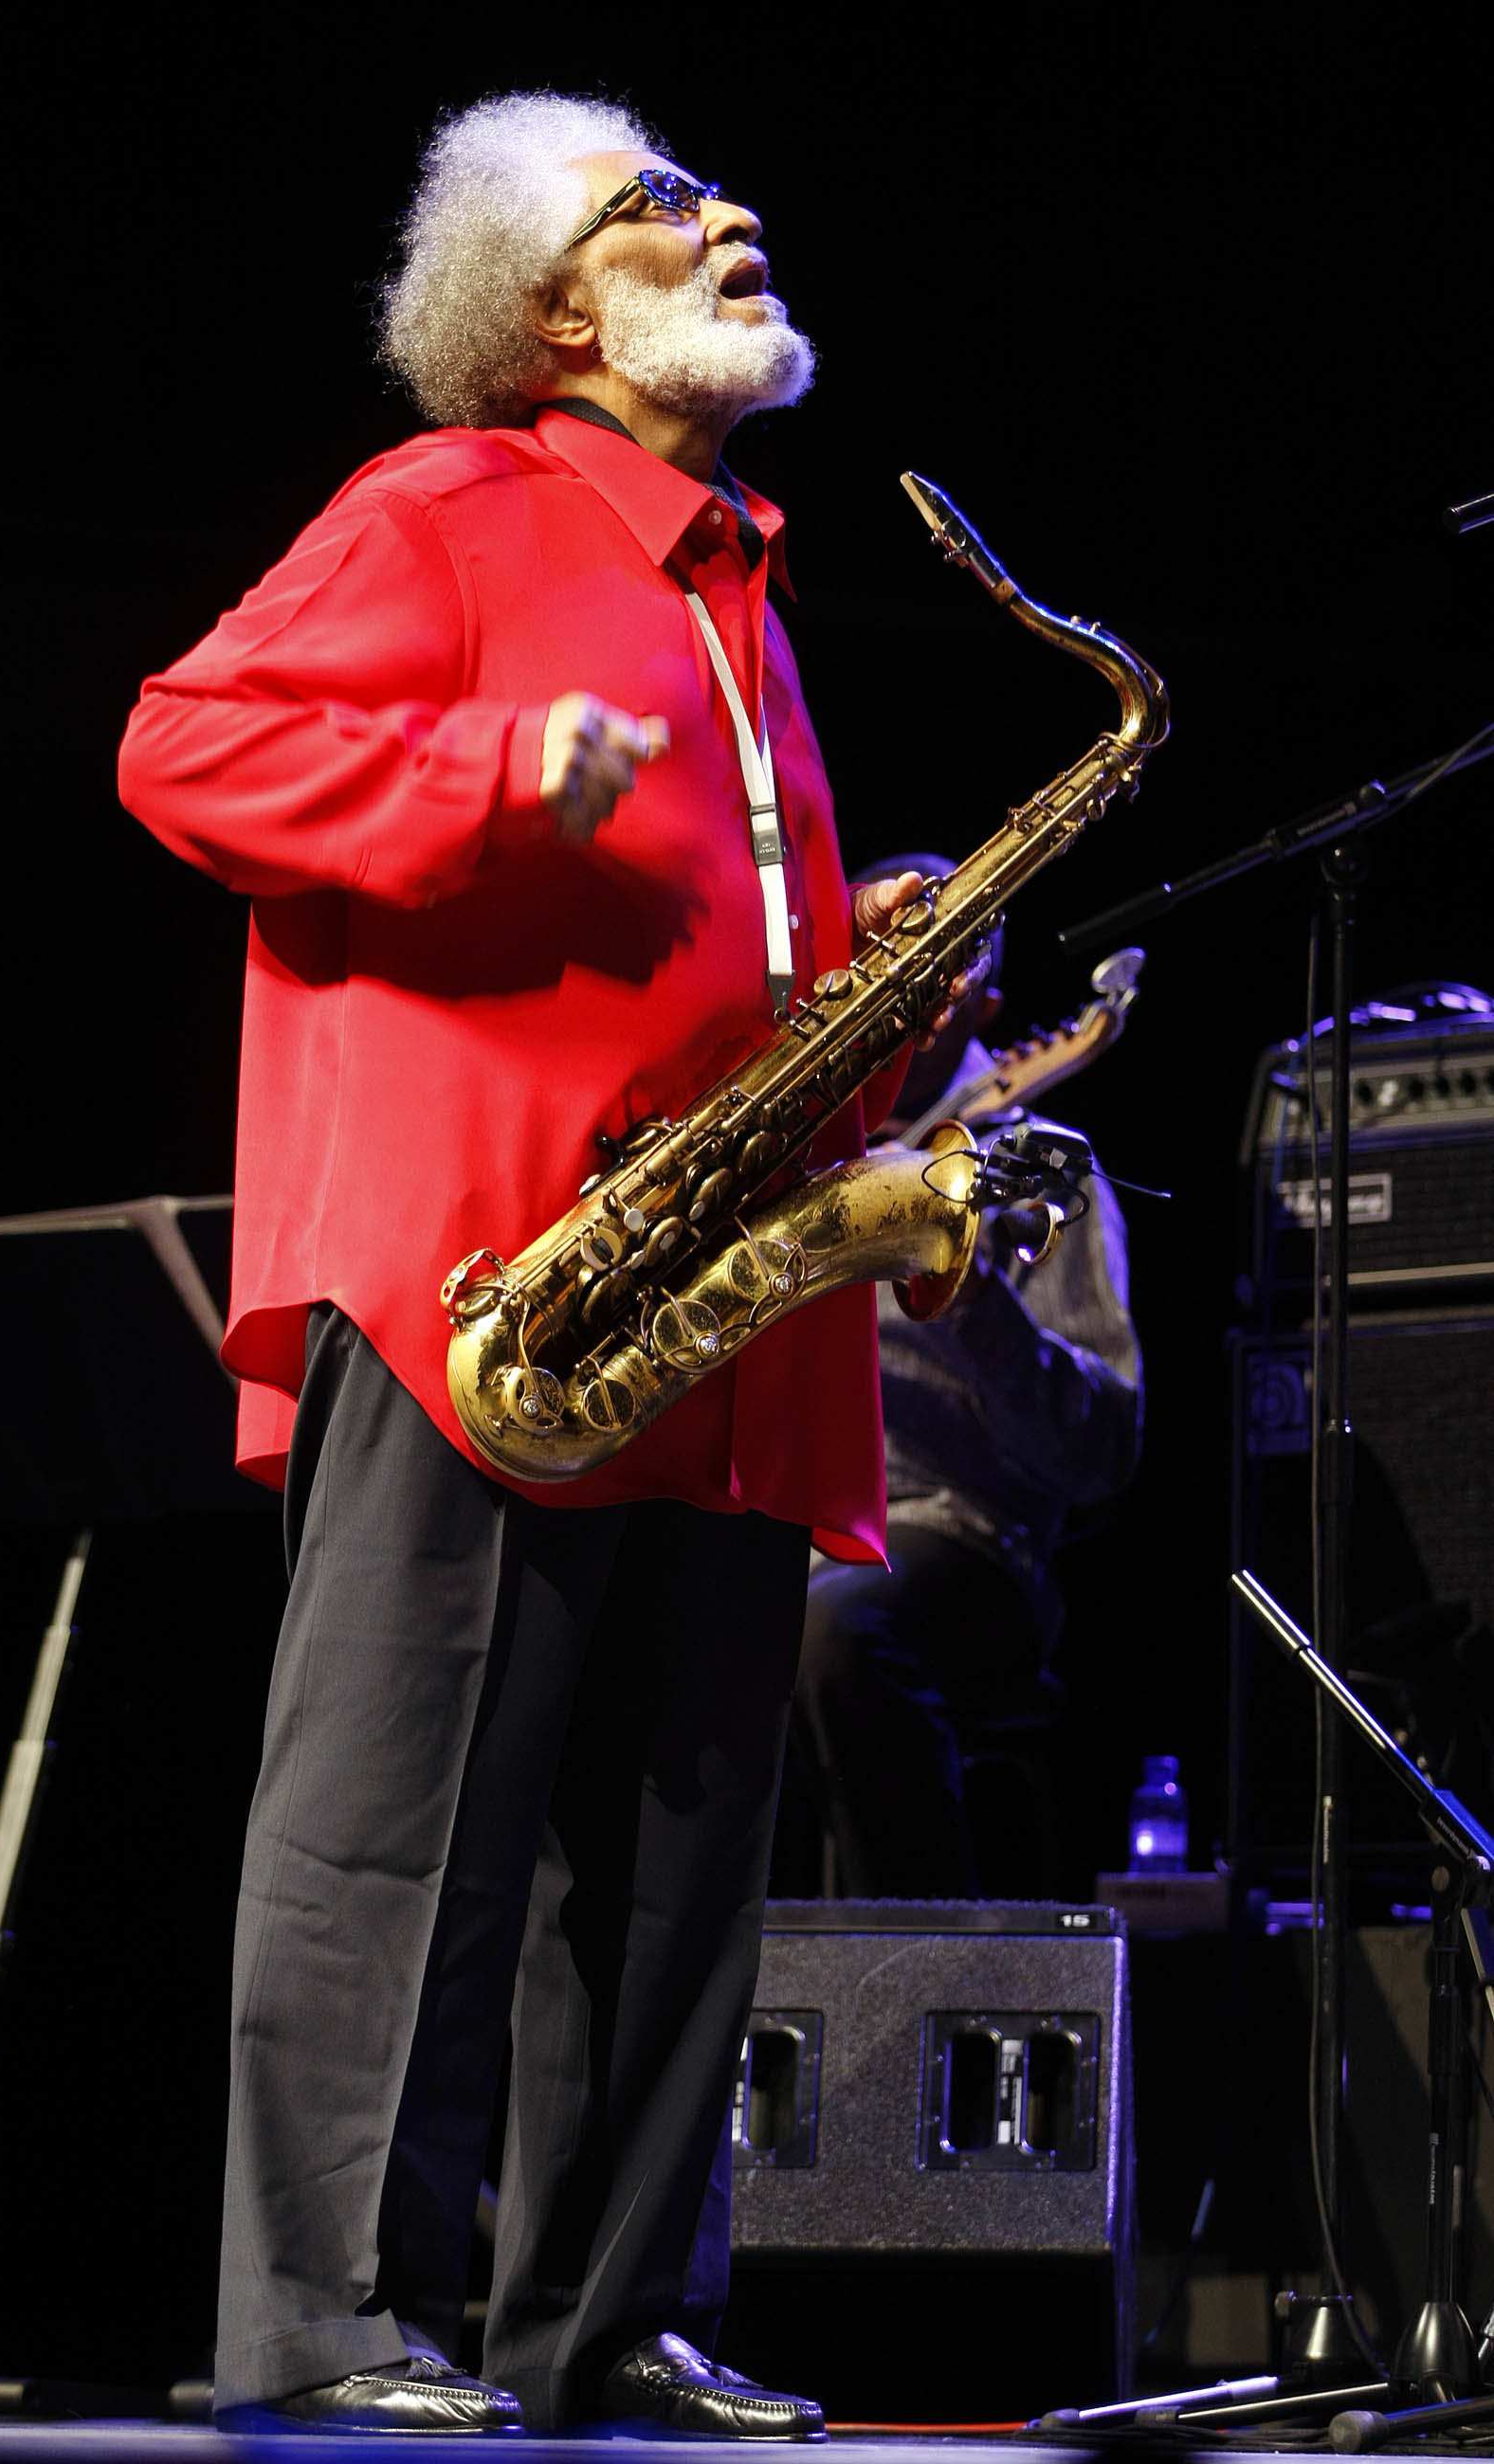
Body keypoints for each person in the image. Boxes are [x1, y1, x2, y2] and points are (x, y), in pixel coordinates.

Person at [118, 98, 978, 2439]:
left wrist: (871, 982)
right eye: (654, 205)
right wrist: (487, 774)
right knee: (404, 1831)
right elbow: (186, 745)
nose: (728, 217)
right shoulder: (450, 507)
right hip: (481, 1283)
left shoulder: (736, 581)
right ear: (552, 307)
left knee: (679, 1852)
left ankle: (598, 2325)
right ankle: (328, 2317)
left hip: (708, 1302)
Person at [775, 855, 1142, 1900]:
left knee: (830, 1634)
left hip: (957, 1540)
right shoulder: (807, 1149)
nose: (912, 997)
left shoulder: (1035, 1163)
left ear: (984, 1001)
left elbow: (1099, 1449)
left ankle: (905, 1971)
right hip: (788, 1535)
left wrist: (974, 1295)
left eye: (945, 973)